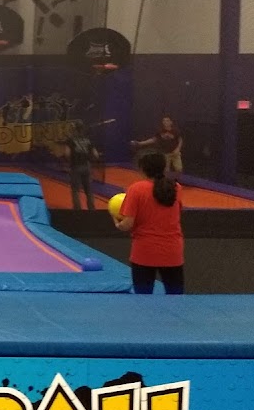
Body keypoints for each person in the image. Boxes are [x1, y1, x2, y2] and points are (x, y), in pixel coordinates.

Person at [112, 151, 184, 295]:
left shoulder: (136, 189)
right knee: (176, 298)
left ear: (142, 169)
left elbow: (127, 224)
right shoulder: (176, 188)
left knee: (143, 299)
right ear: (164, 168)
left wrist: (117, 221)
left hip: (144, 252)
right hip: (172, 251)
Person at [61, 121, 100, 211]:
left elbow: (67, 153)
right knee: (88, 190)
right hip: (86, 166)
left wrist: (70, 161)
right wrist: (89, 159)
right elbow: (96, 154)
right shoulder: (88, 139)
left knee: (75, 190)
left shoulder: (70, 140)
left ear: (74, 129)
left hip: (75, 166)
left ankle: (77, 211)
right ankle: (92, 210)